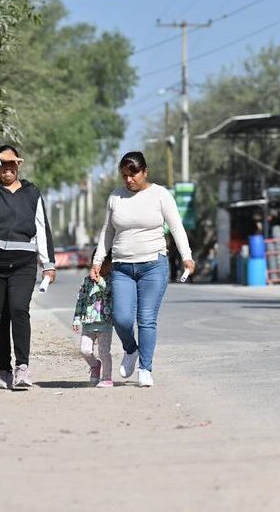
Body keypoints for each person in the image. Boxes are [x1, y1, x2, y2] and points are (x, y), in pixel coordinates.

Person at [91, 151, 194, 387]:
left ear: (145, 172)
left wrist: (187, 256)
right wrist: (97, 261)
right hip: (122, 267)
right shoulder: (116, 197)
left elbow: (176, 227)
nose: (128, 180)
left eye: (133, 174)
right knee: (121, 318)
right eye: (124, 175)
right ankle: (130, 349)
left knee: (146, 319)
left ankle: (145, 368)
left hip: (153, 266)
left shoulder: (160, 195)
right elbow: (107, 232)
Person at [0, 145, 55, 390]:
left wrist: (48, 264)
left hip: (23, 262)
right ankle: (3, 372)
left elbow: (42, 227)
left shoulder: (31, 192)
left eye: (11, 163)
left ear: (18, 164)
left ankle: (22, 369)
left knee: (18, 310)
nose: (7, 169)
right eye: (2, 164)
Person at [73, 252, 113, 388]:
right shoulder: (86, 280)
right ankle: (95, 366)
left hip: (105, 323)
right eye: (99, 265)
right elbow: (81, 299)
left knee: (104, 352)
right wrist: (77, 318)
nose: (102, 268)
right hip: (88, 323)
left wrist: (100, 281)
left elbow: (109, 291)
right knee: (85, 350)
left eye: (106, 265)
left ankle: (107, 378)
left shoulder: (112, 280)